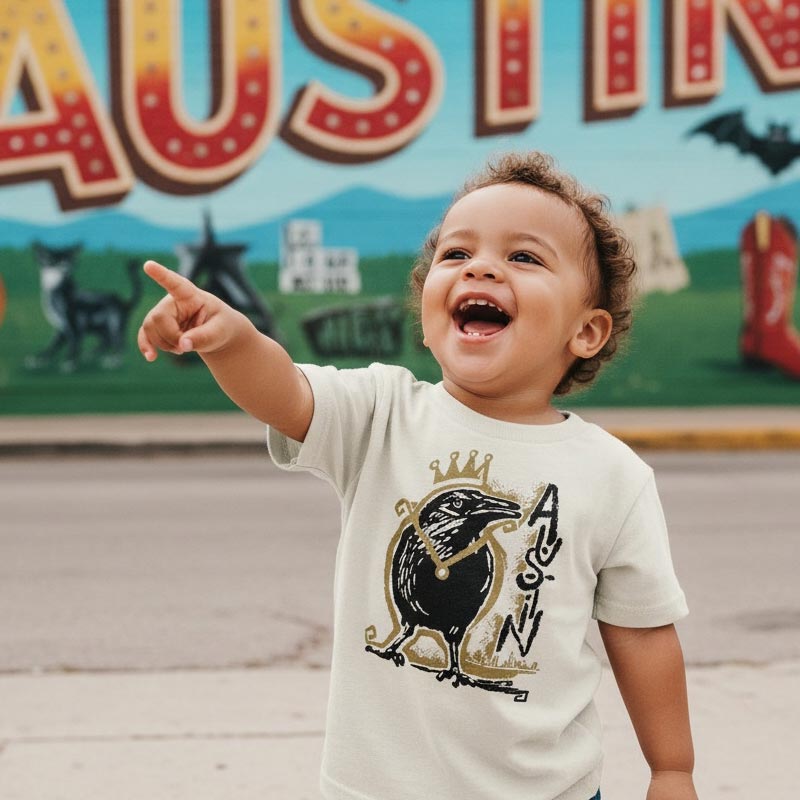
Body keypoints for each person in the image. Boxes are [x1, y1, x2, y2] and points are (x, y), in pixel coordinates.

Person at [138, 152, 697, 800]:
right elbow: (283, 391)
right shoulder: (381, 413)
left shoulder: (613, 476)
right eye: (456, 254)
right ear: (429, 318)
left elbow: (644, 634)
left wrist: (672, 769)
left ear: (587, 331)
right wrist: (231, 340)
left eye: (524, 257)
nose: (480, 267)